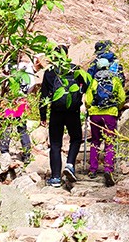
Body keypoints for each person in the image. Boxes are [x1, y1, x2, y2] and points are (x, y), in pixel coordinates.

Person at [38, 45, 90, 189]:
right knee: (76, 138)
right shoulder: (75, 69)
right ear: (66, 55)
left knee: (55, 144)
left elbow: (44, 95)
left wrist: (42, 115)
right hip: (72, 111)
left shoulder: (49, 72)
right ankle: (70, 164)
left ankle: (55, 178)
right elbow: (86, 86)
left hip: (56, 112)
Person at [84, 53, 126, 187]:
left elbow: (88, 100)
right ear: (108, 66)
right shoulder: (115, 80)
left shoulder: (94, 80)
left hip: (95, 115)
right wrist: (117, 108)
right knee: (110, 142)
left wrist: (90, 109)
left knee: (95, 141)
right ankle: (108, 168)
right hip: (110, 115)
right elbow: (122, 98)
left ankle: (93, 169)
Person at [0, 52, 34, 163]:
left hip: (9, 100)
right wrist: (25, 94)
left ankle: (4, 151)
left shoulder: (7, 66)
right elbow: (31, 83)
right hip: (21, 100)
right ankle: (27, 153)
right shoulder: (27, 67)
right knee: (22, 127)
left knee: (6, 125)